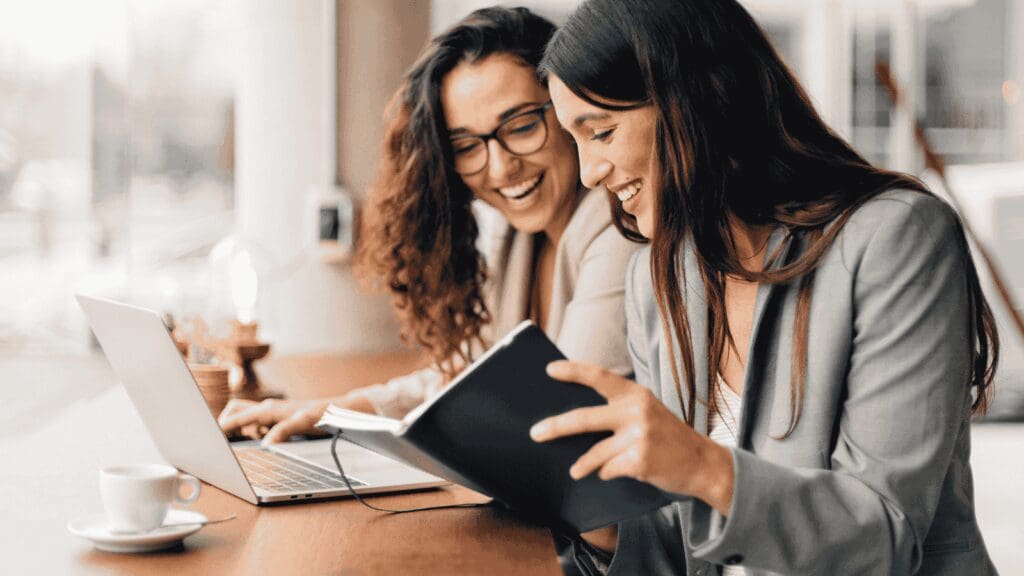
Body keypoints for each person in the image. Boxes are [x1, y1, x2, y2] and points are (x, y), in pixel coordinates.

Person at [529, 1, 1001, 574]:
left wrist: (704, 468)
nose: (587, 173)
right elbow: (678, 544)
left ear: (694, 101)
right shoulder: (660, 278)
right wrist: (595, 518)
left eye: (600, 131)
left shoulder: (897, 238)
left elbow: (886, 534)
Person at [219, 7, 638, 443]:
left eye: (521, 126)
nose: (500, 168)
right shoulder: (516, 240)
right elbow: (458, 381)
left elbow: (562, 414)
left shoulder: (616, 226)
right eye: (466, 145)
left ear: (568, 108)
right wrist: (327, 410)